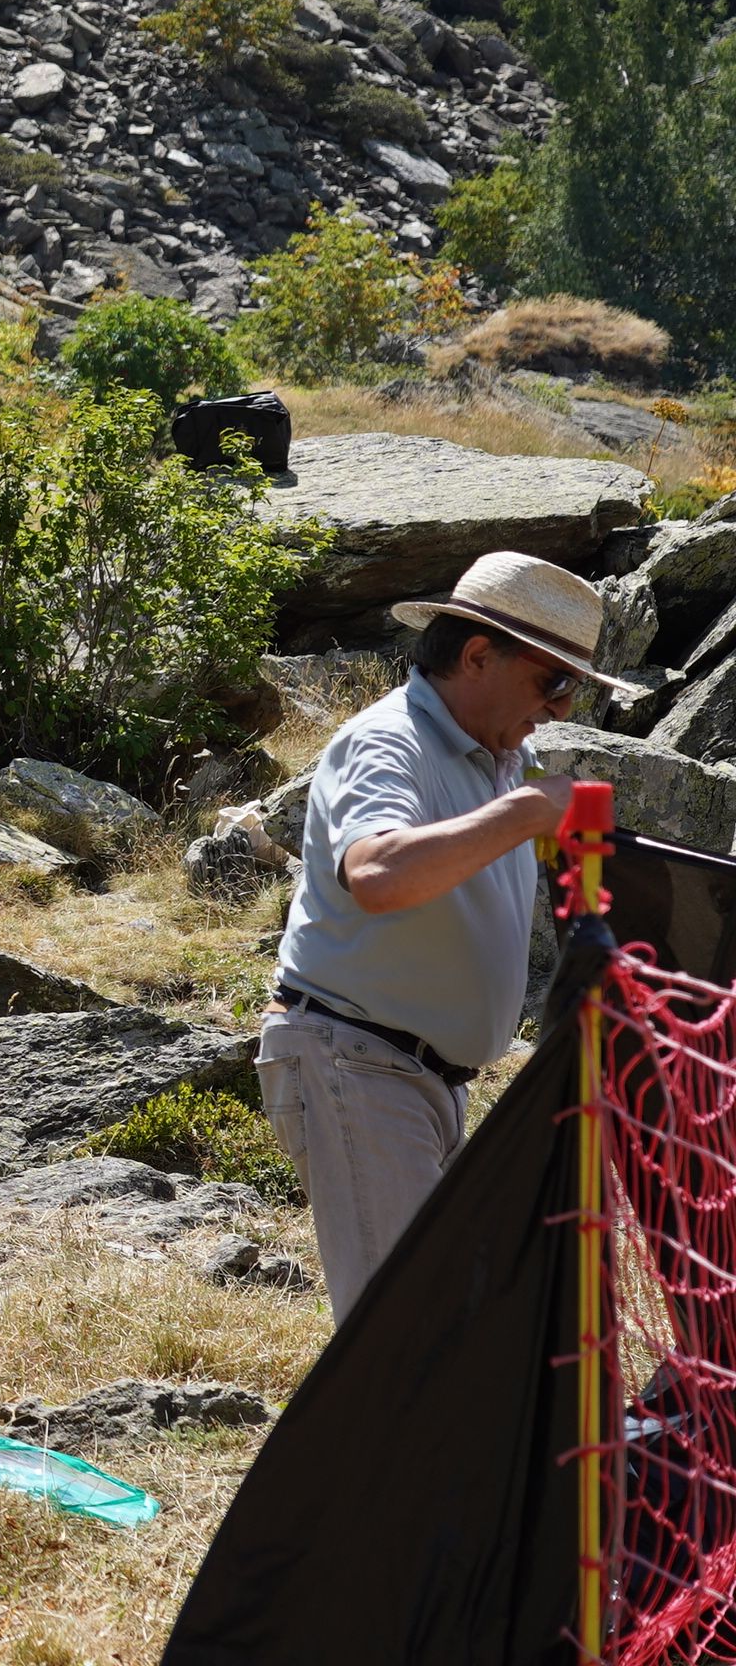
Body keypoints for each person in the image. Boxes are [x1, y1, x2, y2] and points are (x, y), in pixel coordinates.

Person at [263, 552, 608, 1318]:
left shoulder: (501, 756)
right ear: (478, 654)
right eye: (552, 682)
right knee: (404, 1336)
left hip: (416, 1077)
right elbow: (379, 876)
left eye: (571, 689)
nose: (559, 708)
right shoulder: (388, 741)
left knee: (439, 1328)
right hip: (358, 1060)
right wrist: (524, 815)